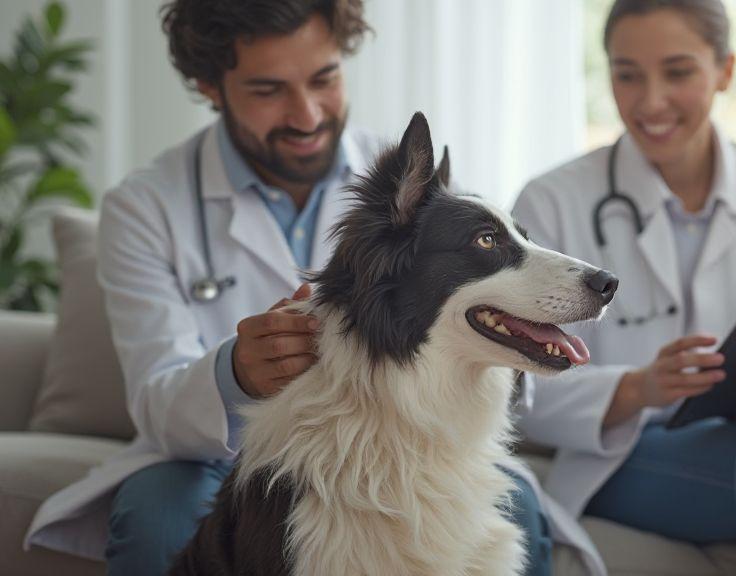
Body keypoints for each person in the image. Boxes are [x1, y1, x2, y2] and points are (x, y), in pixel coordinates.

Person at [24, 1, 551, 574]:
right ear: (210, 86)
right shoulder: (145, 208)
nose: (305, 115)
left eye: (323, 79)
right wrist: (236, 373)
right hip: (212, 457)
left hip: (390, 449)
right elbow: (155, 401)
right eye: (267, 89)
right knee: (159, 521)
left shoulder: (414, 188)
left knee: (518, 511)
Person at [513, 0, 736, 574]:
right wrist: (638, 388)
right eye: (627, 74)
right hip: (630, 451)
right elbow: (522, 395)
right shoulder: (553, 202)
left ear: (725, 70)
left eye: (677, 72)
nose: (650, 101)